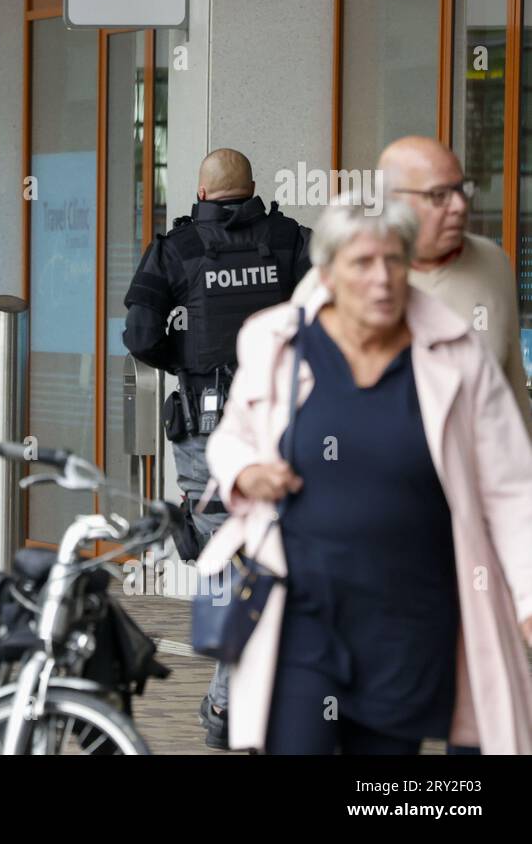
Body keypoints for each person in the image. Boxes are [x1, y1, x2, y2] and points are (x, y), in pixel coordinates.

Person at [200, 194, 532, 754]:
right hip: (301, 611)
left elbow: (510, 488)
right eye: (362, 263)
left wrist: (527, 601)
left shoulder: (454, 353)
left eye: (394, 261)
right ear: (327, 272)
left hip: (407, 623)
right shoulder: (278, 341)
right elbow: (231, 437)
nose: (382, 279)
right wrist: (246, 472)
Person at [123, 148, 311, 749]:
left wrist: (186, 358)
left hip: (207, 424)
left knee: (217, 547)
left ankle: (230, 694)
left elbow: (139, 335)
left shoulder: (174, 250)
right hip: (286, 424)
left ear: (201, 194)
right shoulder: (292, 240)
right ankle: (246, 689)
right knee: (275, 551)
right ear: (253, 190)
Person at [293, 136, 532, 435]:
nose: (459, 205)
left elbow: (511, 390)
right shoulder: (335, 279)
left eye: (461, 189)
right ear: (392, 200)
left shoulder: (493, 263)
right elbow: (285, 398)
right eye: (438, 195)